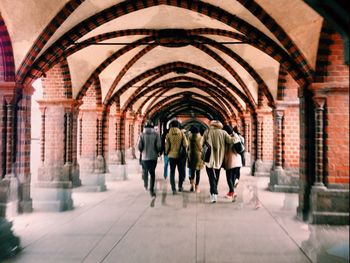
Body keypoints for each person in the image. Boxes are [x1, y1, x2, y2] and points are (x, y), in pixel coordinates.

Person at [202, 120, 235, 203]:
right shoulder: (223, 132)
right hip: (219, 159)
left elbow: (200, 143)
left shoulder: (207, 132)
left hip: (208, 158)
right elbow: (231, 141)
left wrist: (203, 148)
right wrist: (235, 135)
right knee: (216, 176)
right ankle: (214, 192)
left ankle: (213, 193)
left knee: (211, 177)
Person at [137, 120, 161, 197]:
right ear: (153, 127)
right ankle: (151, 190)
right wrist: (158, 152)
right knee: (152, 173)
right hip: (153, 157)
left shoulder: (141, 135)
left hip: (144, 157)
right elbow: (159, 146)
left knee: (145, 171)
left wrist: (142, 151)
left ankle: (145, 184)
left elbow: (139, 146)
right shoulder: (156, 135)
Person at [165, 120, 188, 194]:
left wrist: (167, 152)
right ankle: (180, 187)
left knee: (172, 172)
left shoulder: (168, 134)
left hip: (171, 156)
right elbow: (186, 144)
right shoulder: (181, 133)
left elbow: (167, 146)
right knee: (180, 172)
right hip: (180, 156)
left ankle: (173, 188)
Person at [223, 124, 243, 202]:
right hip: (238, 159)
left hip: (230, 159)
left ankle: (232, 192)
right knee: (233, 176)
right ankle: (230, 191)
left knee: (229, 177)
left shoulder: (227, 137)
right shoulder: (236, 136)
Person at [187, 126, 204, 193]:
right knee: (198, 172)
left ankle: (192, 185)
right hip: (198, 156)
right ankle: (197, 187)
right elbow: (201, 148)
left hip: (191, 155)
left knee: (192, 171)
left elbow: (187, 146)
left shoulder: (189, 137)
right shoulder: (200, 138)